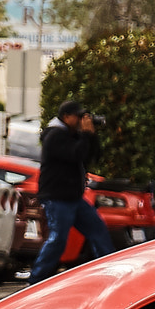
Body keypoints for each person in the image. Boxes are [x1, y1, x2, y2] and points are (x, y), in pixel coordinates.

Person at [28, 100, 115, 284]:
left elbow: (92, 156)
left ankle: (110, 273)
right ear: (66, 117)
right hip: (57, 198)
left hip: (74, 198)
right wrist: (84, 135)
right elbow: (76, 154)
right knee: (58, 239)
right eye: (78, 116)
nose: (81, 120)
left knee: (98, 231)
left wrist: (91, 135)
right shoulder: (54, 136)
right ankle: (36, 280)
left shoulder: (72, 135)